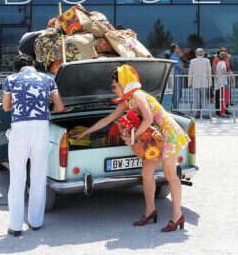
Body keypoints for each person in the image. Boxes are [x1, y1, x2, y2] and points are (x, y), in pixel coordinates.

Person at [73, 65, 190, 232]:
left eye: (114, 86)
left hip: (168, 134)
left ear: (123, 83)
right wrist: (85, 133)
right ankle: (150, 211)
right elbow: (108, 119)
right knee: (146, 172)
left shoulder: (137, 95)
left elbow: (148, 119)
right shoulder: (127, 100)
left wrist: (133, 137)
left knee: (170, 175)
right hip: (155, 138)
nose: (113, 90)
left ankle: (177, 216)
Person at [2, 54, 65, 237]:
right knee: (38, 175)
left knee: (17, 177)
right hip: (41, 129)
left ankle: (16, 226)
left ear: (17, 68)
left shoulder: (10, 79)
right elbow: (60, 107)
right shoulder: (48, 79)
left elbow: (6, 107)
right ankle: (36, 222)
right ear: (33, 65)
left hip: (20, 130)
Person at [188, 48, 211, 119]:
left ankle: (196, 113)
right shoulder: (207, 61)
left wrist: (189, 83)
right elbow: (209, 72)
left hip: (196, 81)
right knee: (204, 98)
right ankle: (205, 113)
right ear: (202, 53)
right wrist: (210, 83)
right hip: (204, 81)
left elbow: (190, 73)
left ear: (196, 54)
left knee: (196, 98)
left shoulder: (192, 61)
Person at [214, 51, 231, 117]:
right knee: (225, 97)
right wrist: (229, 73)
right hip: (224, 82)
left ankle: (221, 112)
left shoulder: (218, 63)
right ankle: (223, 112)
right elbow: (223, 71)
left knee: (221, 98)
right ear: (225, 57)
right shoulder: (223, 63)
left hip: (219, 83)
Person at [169, 44, 184, 115]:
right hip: (176, 78)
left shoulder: (176, 57)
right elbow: (181, 67)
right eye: (178, 48)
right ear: (175, 49)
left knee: (178, 93)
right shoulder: (173, 57)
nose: (179, 49)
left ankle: (176, 109)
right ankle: (174, 110)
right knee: (176, 94)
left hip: (178, 78)